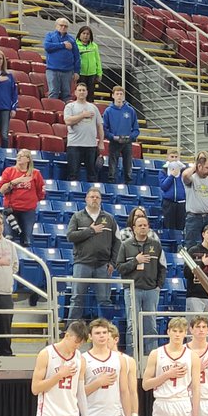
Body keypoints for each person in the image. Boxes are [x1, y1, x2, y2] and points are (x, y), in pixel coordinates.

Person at [66, 186, 120, 322]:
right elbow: (70, 236)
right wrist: (90, 230)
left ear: (101, 200)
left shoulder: (110, 219)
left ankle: (107, 331)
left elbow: (117, 242)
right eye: (92, 197)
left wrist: (113, 263)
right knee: (77, 298)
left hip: (103, 266)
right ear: (86, 199)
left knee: (104, 300)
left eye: (97, 197)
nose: (94, 199)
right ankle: (71, 331)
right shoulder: (77, 217)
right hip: (82, 263)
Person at [115, 211, 164, 355]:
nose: (143, 228)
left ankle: (151, 357)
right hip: (132, 289)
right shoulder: (125, 245)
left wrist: (158, 286)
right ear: (134, 228)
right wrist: (136, 261)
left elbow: (163, 267)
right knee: (132, 325)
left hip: (151, 290)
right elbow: (120, 268)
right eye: (140, 225)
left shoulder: (156, 245)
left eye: (145, 225)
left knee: (151, 325)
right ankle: (132, 357)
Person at [0, 147, 45, 246]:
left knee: (27, 239)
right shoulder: (9, 171)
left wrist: (32, 201)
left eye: (21, 156)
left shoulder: (36, 173)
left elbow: (40, 191)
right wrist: (16, 181)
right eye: (18, 156)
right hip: (11, 210)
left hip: (28, 211)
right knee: (8, 238)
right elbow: (2, 190)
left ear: (28, 159)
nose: (18, 158)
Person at [63, 81, 104, 184]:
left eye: (83, 90)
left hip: (91, 145)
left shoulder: (93, 107)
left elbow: (100, 125)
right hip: (74, 145)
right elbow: (68, 121)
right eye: (79, 90)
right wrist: (82, 115)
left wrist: (101, 142)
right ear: (75, 93)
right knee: (73, 174)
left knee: (92, 174)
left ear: (87, 92)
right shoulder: (70, 106)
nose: (81, 92)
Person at [182, 152, 208, 248]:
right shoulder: (192, 179)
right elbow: (185, 175)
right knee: (191, 244)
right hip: (194, 217)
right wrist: (194, 167)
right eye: (207, 168)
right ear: (199, 166)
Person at [101, 85, 139, 185]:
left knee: (128, 166)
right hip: (114, 142)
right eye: (117, 94)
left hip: (127, 143)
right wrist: (112, 137)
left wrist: (131, 137)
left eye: (121, 94)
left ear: (124, 96)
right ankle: (112, 183)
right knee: (112, 167)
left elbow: (136, 129)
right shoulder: (108, 111)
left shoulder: (130, 111)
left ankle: (129, 185)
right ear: (113, 96)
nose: (119, 96)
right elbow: (104, 128)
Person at [0, 210, 18, 355]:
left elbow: (15, 266)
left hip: (5, 292)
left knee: (5, 326)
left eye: (0, 223)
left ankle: (5, 352)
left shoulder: (10, 245)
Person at [43, 16, 80, 101]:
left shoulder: (72, 39)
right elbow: (47, 46)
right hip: (52, 70)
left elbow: (77, 56)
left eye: (65, 26)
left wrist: (77, 71)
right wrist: (62, 45)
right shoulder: (50, 35)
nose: (63, 27)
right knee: (53, 92)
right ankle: (52, 112)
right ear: (56, 26)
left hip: (68, 71)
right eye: (61, 25)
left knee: (67, 94)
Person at [0, 47, 18, 147]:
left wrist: (14, 108)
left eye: (1, 58)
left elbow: (14, 93)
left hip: (5, 108)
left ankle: (4, 157)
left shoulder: (9, 76)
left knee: (4, 135)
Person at [159, 149, 187, 232]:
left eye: (176, 157)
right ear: (167, 158)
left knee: (181, 227)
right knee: (169, 227)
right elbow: (163, 186)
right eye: (172, 157)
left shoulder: (184, 171)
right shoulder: (163, 171)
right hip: (169, 203)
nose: (174, 159)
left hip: (181, 203)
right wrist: (171, 176)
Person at [75, 25, 103, 102]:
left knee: (90, 94)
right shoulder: (75, 45)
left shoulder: (94, 46)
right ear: (79, 34)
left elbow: (98, 60)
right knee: (81, 93)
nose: (85, 36)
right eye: (83, 33)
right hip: (80, 73)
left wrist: (99, 73)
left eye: (87, 34)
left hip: (92, 73)